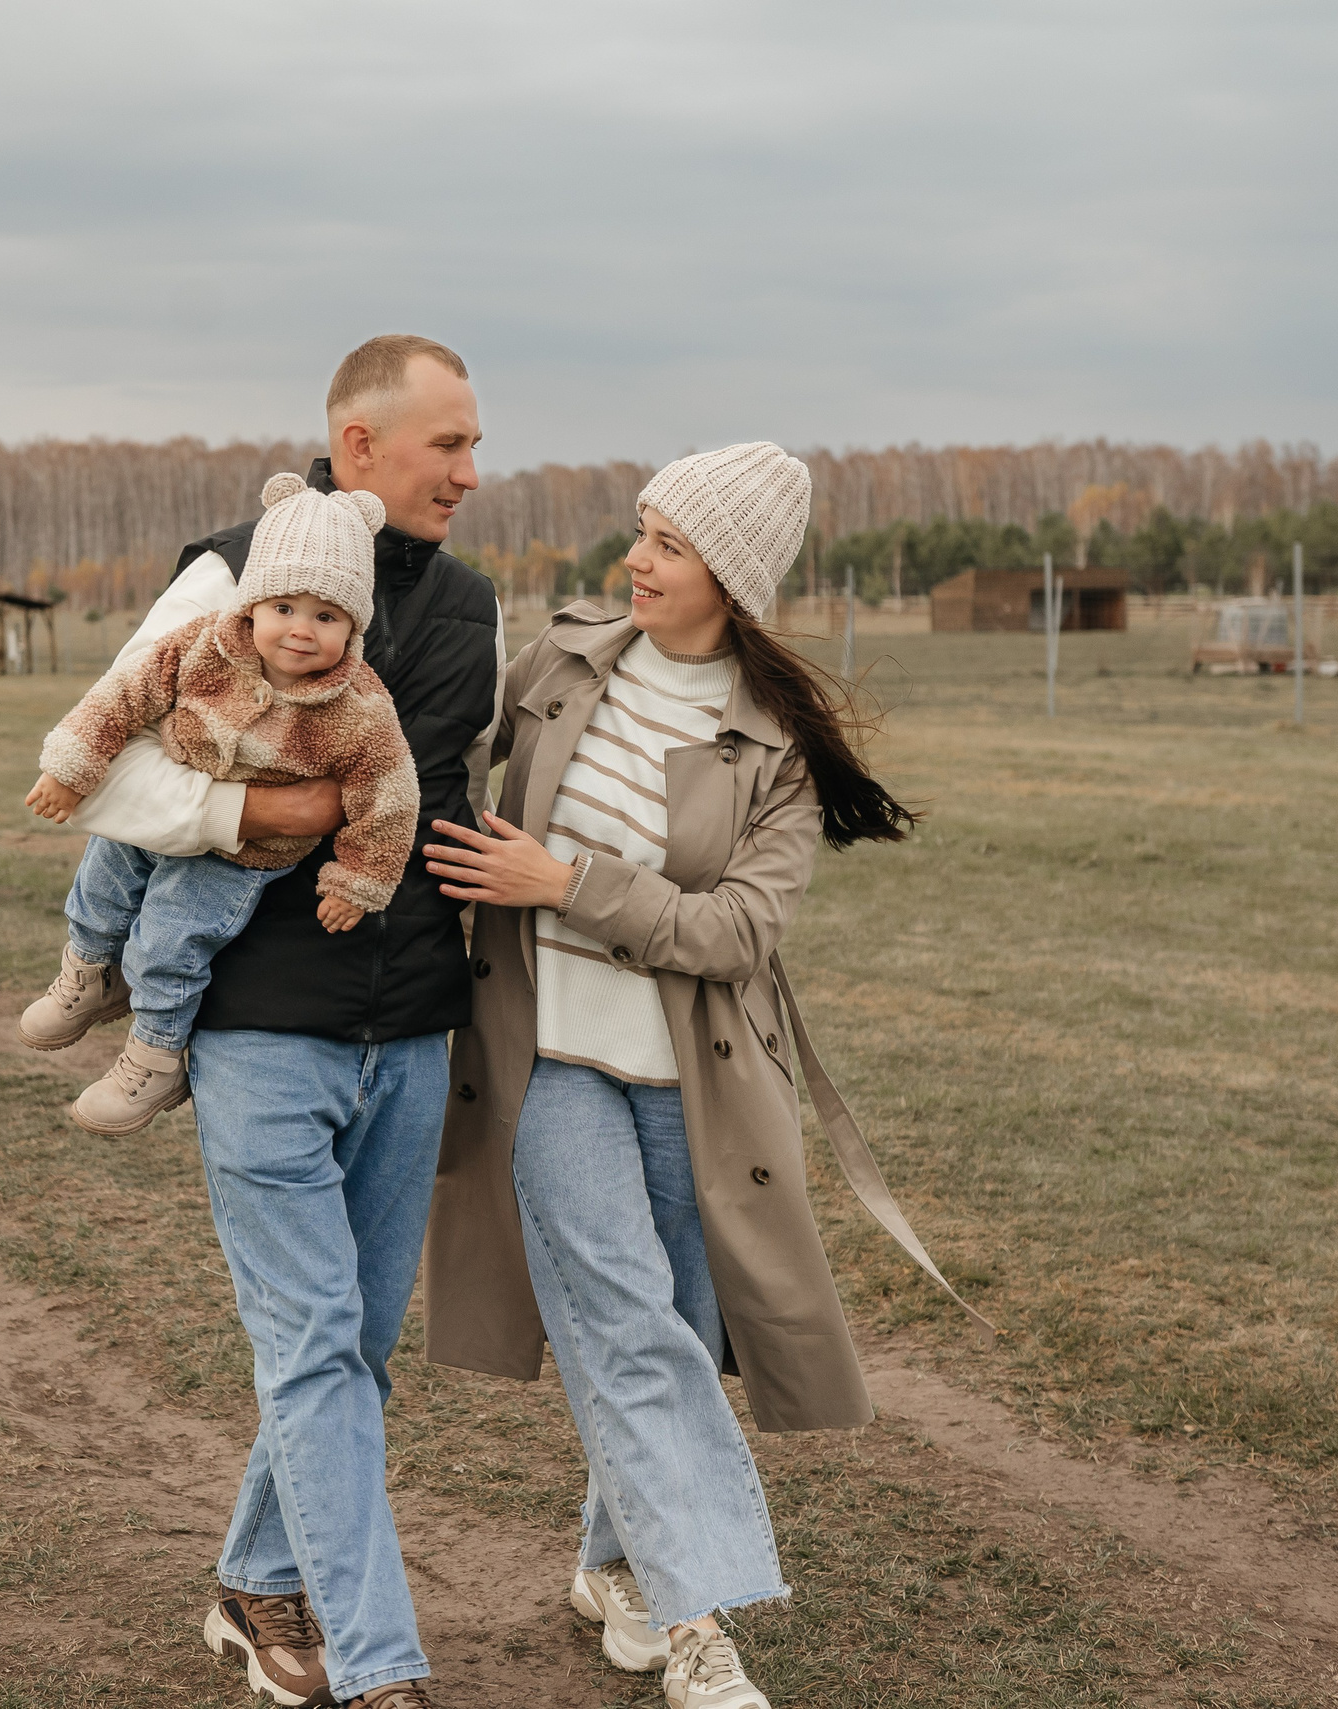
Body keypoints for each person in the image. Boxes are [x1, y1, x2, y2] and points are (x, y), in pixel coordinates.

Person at [418, 443, 985, 1709]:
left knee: (668, 1335)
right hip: (546, 1057)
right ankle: (698, 1622)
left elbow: (736, 931)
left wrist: (565, 885)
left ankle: (613, 1565)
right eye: (640, 530)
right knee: (625, 1330)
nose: (636, 558)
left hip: (697, 1084)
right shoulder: (561, 660)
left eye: (668, 543)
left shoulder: (773, 744)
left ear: (729, 574)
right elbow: (444, 764)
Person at [57, 335, 501, 1709]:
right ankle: (377, 1667)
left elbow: (424, 788)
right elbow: (121, 776)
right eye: (450, 445)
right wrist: (273, 809)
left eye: (476, 445)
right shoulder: (224, 573)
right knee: (314, 1346)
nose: (472, 474)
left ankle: (256, 1583)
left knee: (353, 1348)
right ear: (357, 445)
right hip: (258, 1029)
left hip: (412, 1027)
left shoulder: (474, 602)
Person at [17, 474, 420, 1136]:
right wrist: (73, 767)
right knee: (103, 873)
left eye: (326, 616)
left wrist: (361, 879)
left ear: (353, 624)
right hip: (182, 789)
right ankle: (88, 969)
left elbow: (389, 793)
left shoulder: (359, 707)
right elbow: (124, 695)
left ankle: (155, 1054)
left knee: (172, 934)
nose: (300, 630)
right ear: (253, 601)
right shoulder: (202, 645)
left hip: (247, 853)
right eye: (284, 606)